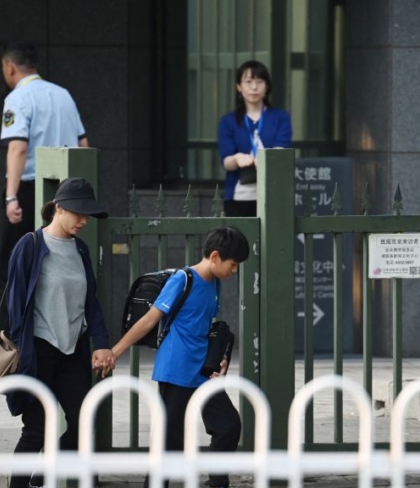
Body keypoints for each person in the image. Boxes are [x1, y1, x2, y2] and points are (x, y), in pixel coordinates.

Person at [108, 226, 250, 488]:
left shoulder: (215, 283)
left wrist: (220, 357)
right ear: (216, 256)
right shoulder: (183, 279)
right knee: (170, 438)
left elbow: (204, 326)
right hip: (176, 369)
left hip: (203, 371)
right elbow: (150, 320)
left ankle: (217, 483)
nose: (234, 270)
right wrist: (116, 352)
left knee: (228, 425)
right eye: (233, 264)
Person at [5, 178, 113, 488]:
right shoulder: (31, 245)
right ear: (59, 208)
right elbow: (15, 304)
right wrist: (22, 353)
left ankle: (42, 478)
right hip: (38, 350)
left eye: (87, 215)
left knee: (81, 423)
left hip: (73, 350)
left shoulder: (80, 248)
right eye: (78, 213)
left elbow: (90, 300)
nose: (83, 221)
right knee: (37, 428)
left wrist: (101, 342)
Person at [0, 40, 89, 308]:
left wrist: (11, 197)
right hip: (65, 193)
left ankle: (10, 337)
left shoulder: (17, 98)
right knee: (56, 264)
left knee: (13, 266)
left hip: (28, 191)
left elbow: (18, 148)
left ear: (10, 67)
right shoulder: (63, 95)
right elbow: (84, 145)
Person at [217, 60, 292, 217]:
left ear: (267, 86)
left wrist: (265, 159)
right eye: (248, 81)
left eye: (259, 81)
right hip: (238, 195)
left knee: (274, 240)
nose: (254, 87)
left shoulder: (280, 117)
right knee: (239, 240)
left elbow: (281, 149)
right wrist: (237, 158)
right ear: (239, 87)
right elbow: (227, 162)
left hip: (273, 193)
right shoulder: (228, 121)